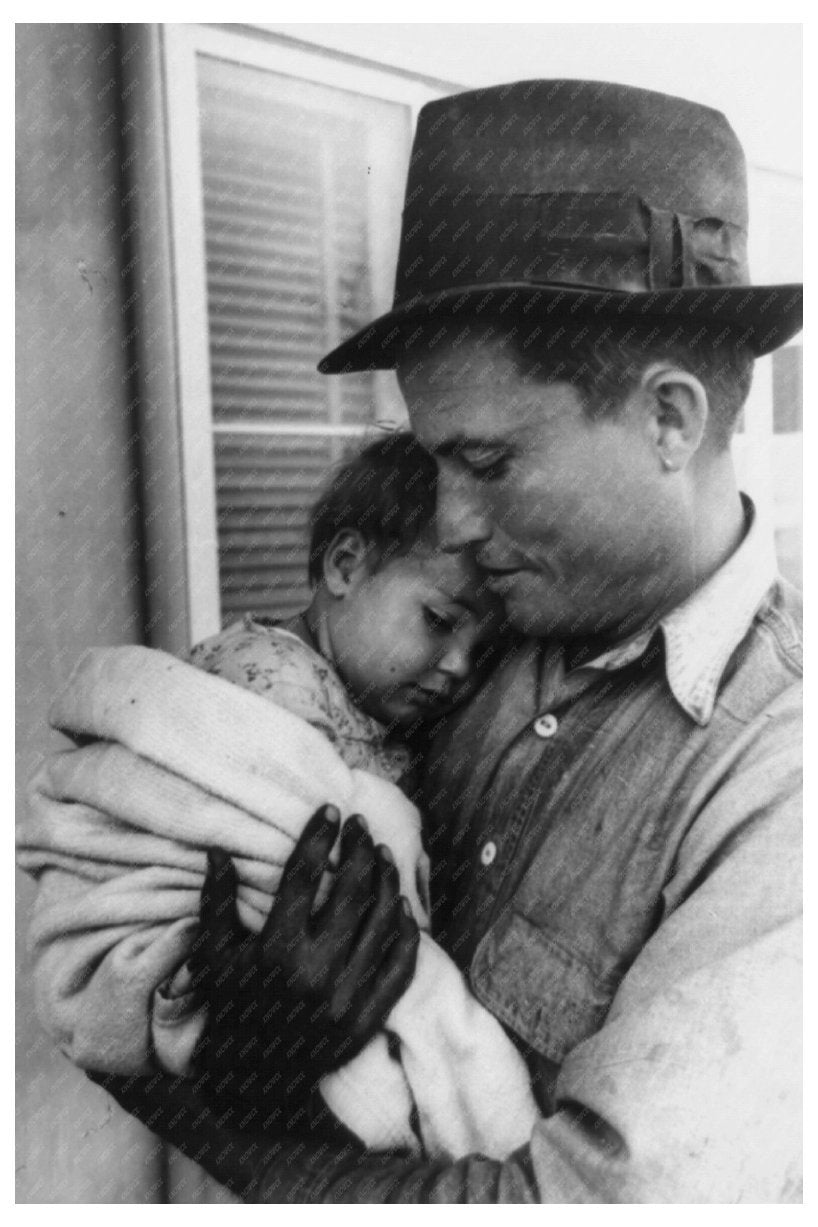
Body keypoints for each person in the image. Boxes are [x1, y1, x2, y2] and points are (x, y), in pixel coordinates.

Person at [92, 79, 801, 1202]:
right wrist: (236, 1043)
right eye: (432, 463)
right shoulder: (481, 620)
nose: (454, 523)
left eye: (486, 462)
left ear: (669, 419)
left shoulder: (776, 778)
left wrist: (258, 1104)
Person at [21, 431, 544, 1160]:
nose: (458, 667)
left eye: (481, 651)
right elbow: (275, 827)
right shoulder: (270, 673)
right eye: (439, 621)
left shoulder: (382, 708)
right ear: (344, 566)